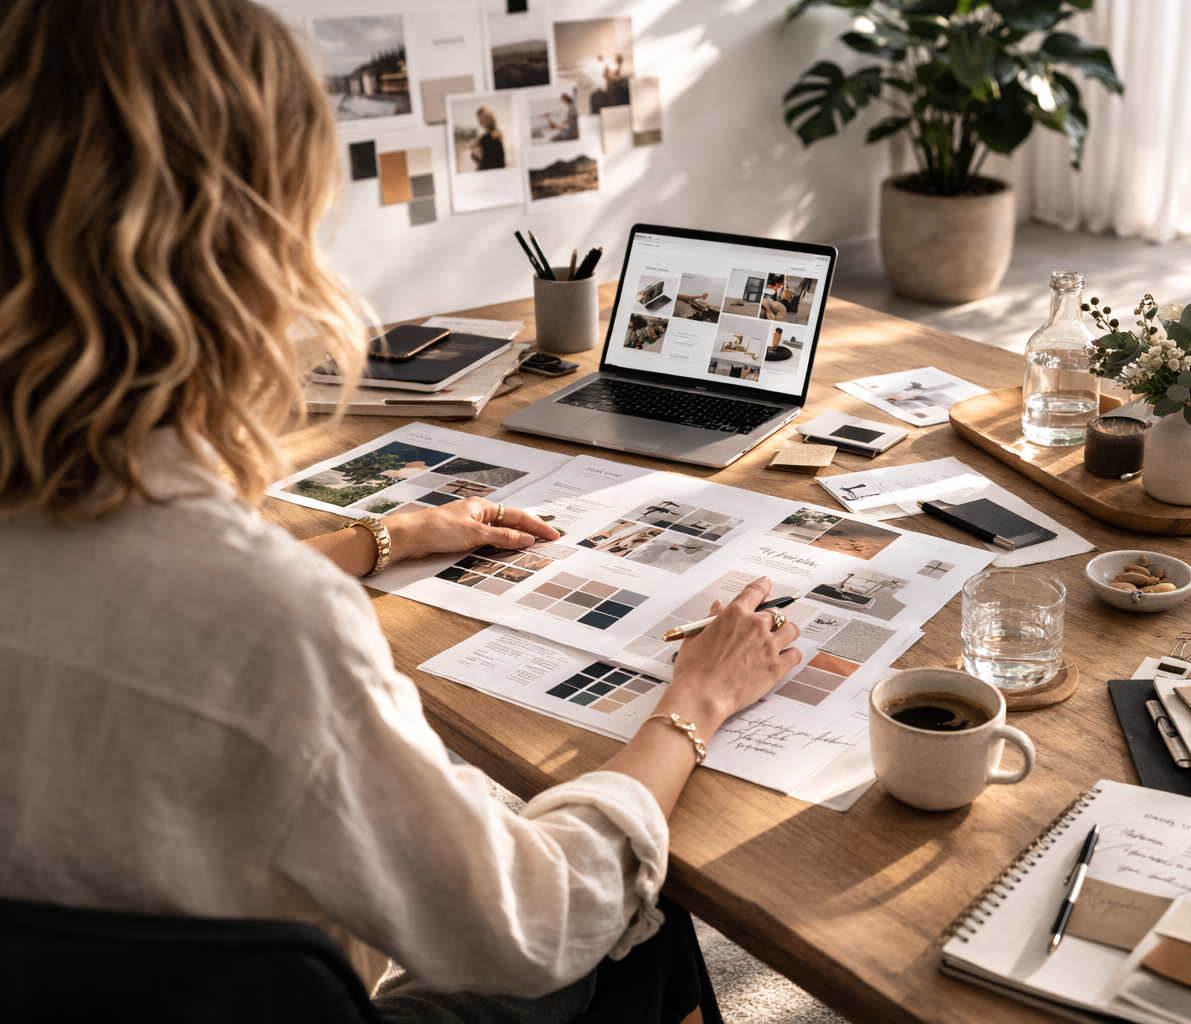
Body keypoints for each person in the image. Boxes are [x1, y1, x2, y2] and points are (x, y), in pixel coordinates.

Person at [0, 3, 804, 1023]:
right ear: (247, 246)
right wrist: (694, 702)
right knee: (641, 911)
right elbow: (536, 922)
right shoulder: (274, 624)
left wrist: (382, 534)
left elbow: (126, 601)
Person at [472, 105, 506, 171]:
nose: (478, 122)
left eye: (479, 118)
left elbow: (484, 160)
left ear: (484, 119)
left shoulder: (485, 138)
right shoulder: (499, 134)